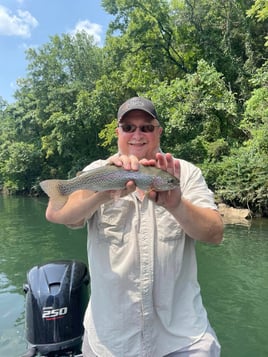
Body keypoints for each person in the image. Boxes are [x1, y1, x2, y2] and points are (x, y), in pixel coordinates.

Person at [45, 96, 224, 357]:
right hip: (110, 343)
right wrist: (103, 194)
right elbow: (56, 212)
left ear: (158, 132)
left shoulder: (183, 173)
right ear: (118, 132)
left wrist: (177, 205)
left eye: (146, 127)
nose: (137, 134)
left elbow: (215, 234)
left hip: (182, 339)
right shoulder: (98, 170)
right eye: (128, 127)